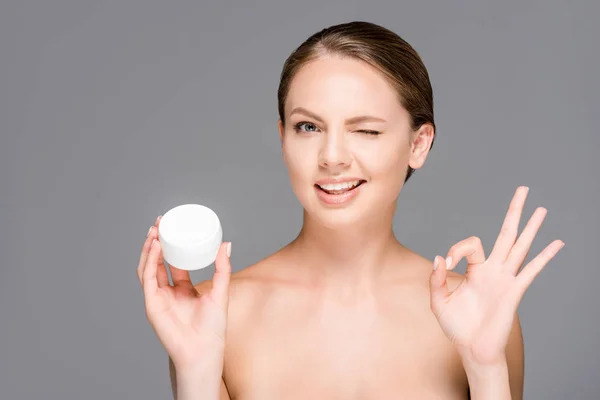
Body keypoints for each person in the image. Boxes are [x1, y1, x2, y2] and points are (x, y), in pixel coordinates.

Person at [136, 21, 564, 400]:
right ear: (284, 138)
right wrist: (195, 372)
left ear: (418, 144)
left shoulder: (477, 312)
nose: (332, 156)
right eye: (309, 127)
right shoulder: (218, 313)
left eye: (365, 130)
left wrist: (486, 366)